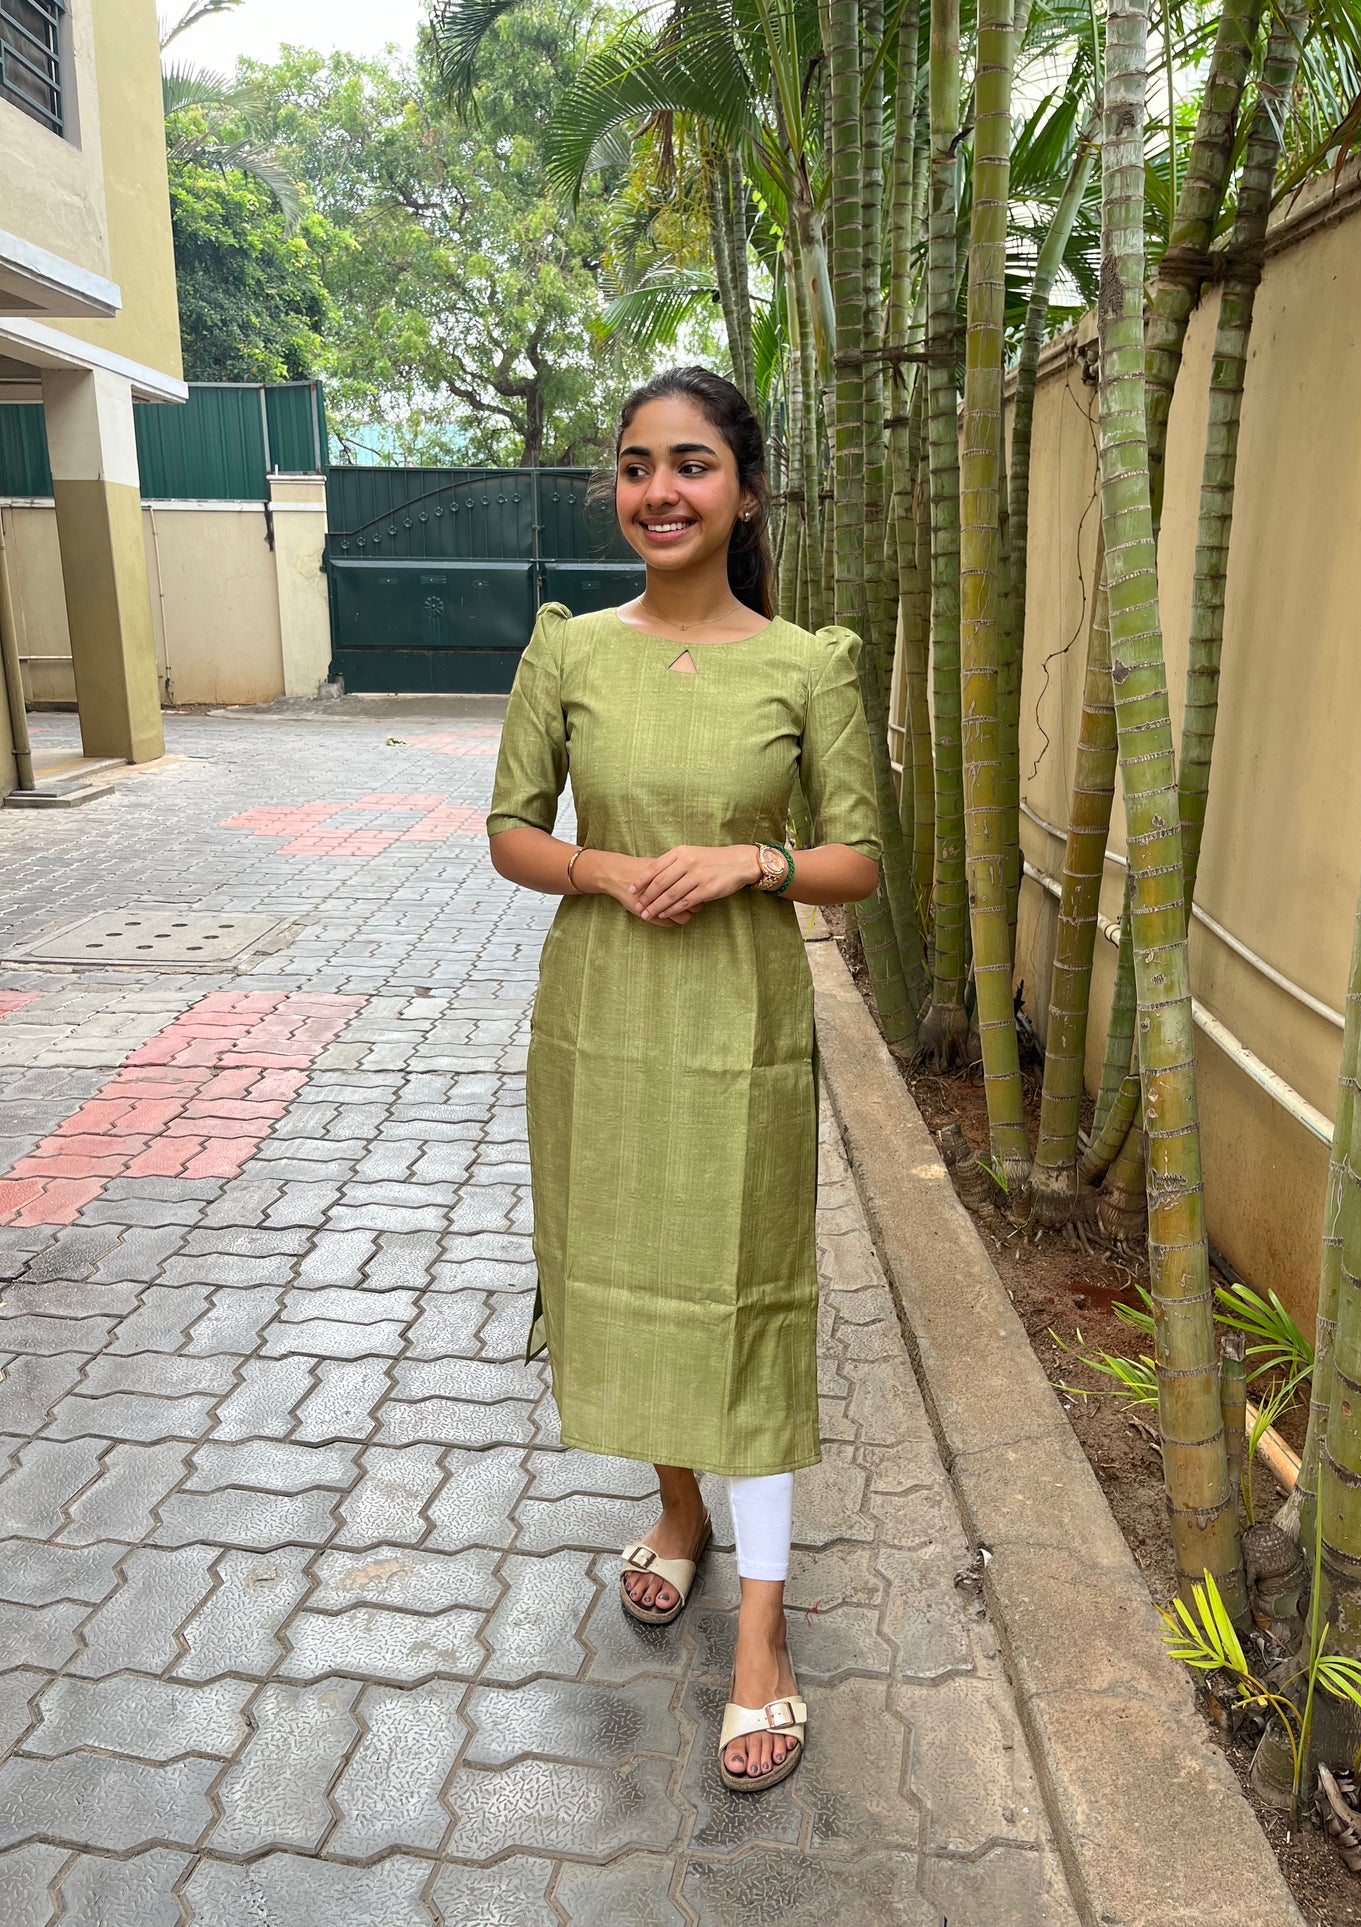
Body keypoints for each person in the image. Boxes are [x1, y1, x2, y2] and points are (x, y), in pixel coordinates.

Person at [485, 365, 881, 1791]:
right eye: (639, 464)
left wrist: (750, 863)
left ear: (745, 489)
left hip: (740, 1027)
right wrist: (604, 867)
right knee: (621, 1273)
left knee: (742, 1302)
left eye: (693, 463)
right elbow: (509, 832)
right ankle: (674, 1513)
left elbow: (858, 856)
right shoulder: (568, 652)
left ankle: (762, 1636)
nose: (660, 489)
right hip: (598, 1019)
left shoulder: (804, 663)